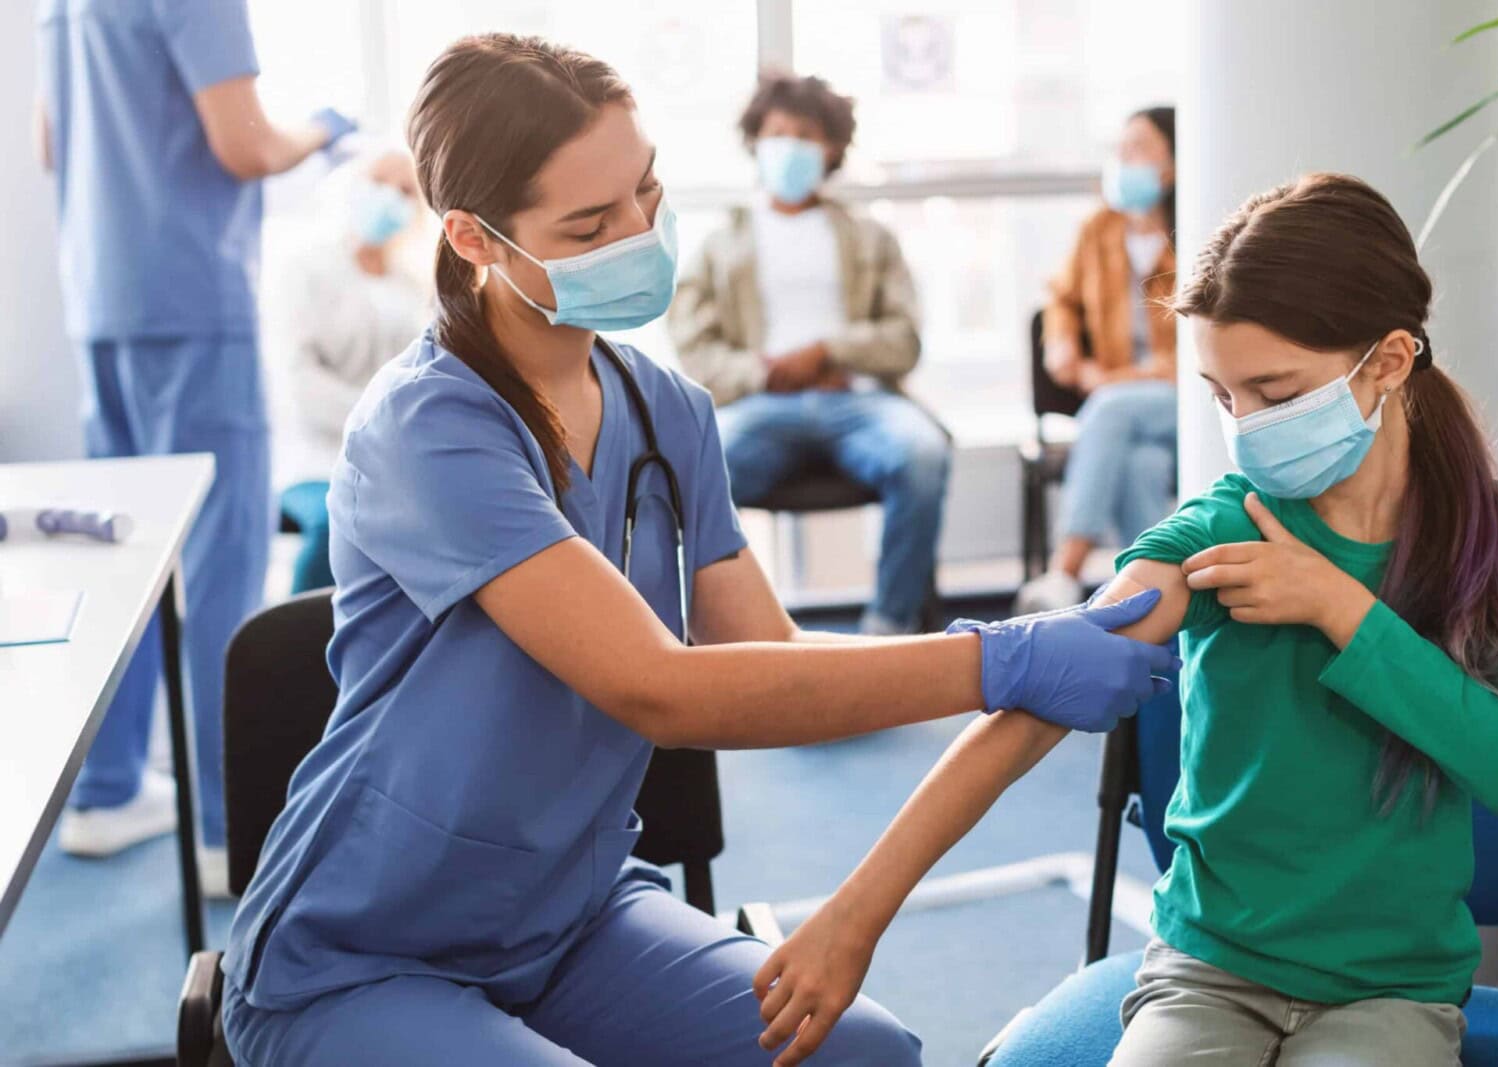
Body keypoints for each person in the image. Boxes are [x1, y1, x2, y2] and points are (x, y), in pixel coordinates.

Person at [218, 35, 1179, 1067]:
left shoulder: (665, 410)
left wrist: (1002, 658)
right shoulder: (430, 426)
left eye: (645, 193)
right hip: (371, 951)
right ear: (476, 238)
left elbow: (766, 658)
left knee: (866, 1055)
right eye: (590, 224)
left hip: (571, 915)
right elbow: (663, 689)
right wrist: (1002, 658)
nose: (639, 233)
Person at [756, 174, 1498, 1067]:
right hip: (1211, 967)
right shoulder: (1218, 530)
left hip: (1392, 984)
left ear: (1390, 361)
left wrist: (1339, 607)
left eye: (1274, 391)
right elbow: (1033, 712)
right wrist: (854, 914)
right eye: (1223, 394)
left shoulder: (1491, 524)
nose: (1244, 428)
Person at [36, 0, 356, 889]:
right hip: (188, 294)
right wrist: (328, 126)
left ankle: (106, 790)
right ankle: (229, 826)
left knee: (124, 554)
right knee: (221, 557)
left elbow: (49, 146)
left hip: (99, 295)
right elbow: (246, 146)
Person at [670, 73, 949, 636]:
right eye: (778, 132)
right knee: (695, 471)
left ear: (831, 150)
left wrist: (828, 352)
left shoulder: (871, 238)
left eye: (806, 134)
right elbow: (694, 348)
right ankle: (725, 636)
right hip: (758, 404)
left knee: (922, 455)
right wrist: (766, 373)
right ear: (756, 141)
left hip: (860, 402)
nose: (790, 147)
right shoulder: (720, 245)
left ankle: (889, 628)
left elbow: (905, 340)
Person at [1016, 107, 1178, 613]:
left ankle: (1064, 572)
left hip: (1183, 395)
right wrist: (1061, 344)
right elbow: (1059, 300)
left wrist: (1107, 379)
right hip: (1126, 404)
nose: (1124, 160)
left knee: (1109, 407)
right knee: (1139, 466)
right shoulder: (1098, 230)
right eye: (1121, 149)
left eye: (1140, 148)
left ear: (1173, 162)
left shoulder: (1196, 234)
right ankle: (1157, 600)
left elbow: (1193, 349)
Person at [275, 147, 433, 593]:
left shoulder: (414, 288)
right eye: (380, 182)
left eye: (405, 191)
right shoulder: (307, 269)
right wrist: (379, 418)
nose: (390, 197)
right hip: (316, 461)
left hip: (398, 462)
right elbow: (301, 383)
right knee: (336, 526)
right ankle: (298, 653)